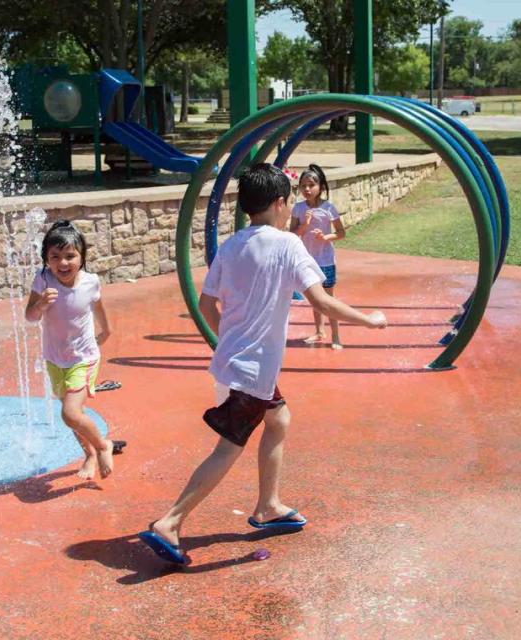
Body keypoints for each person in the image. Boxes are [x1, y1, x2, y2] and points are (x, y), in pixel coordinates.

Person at [138, 164, 386, 565]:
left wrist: (227, 345)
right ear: (278, 203)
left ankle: (268, 506)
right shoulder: (288, 245)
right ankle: (170, 521)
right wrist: (369, 320)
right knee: (229, 447)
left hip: (235, 364)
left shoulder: (232, 245)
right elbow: (321, 300)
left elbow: (205, 305)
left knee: (279, 419)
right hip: (251, 371)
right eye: (287, 202)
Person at [25, 220, 117, 480]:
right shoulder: (42, 280)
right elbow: (30, 316)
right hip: (55, 359)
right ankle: (88, 454)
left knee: (70, 413)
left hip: (83, 357)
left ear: (81, 256)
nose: (63, 263)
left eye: (70, 256)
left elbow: (97, 306)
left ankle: (102, 445)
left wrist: (106, 330)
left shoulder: (90, 282)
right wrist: (40, 305)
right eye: (55, 257)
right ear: (46, 259)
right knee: (74, 415)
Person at [290, 164, 347, 349]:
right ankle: (319, 331)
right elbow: (293, 234)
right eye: (303, 186)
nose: (307, 189)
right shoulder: (298, 209)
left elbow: (341, 233)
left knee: (329, 299)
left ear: (321, 187)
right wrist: (304, 225)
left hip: (326, 260)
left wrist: (325, 237)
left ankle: (336, 336)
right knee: (316, 299)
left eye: (311, 185)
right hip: (308, 261)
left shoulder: (328, 207)